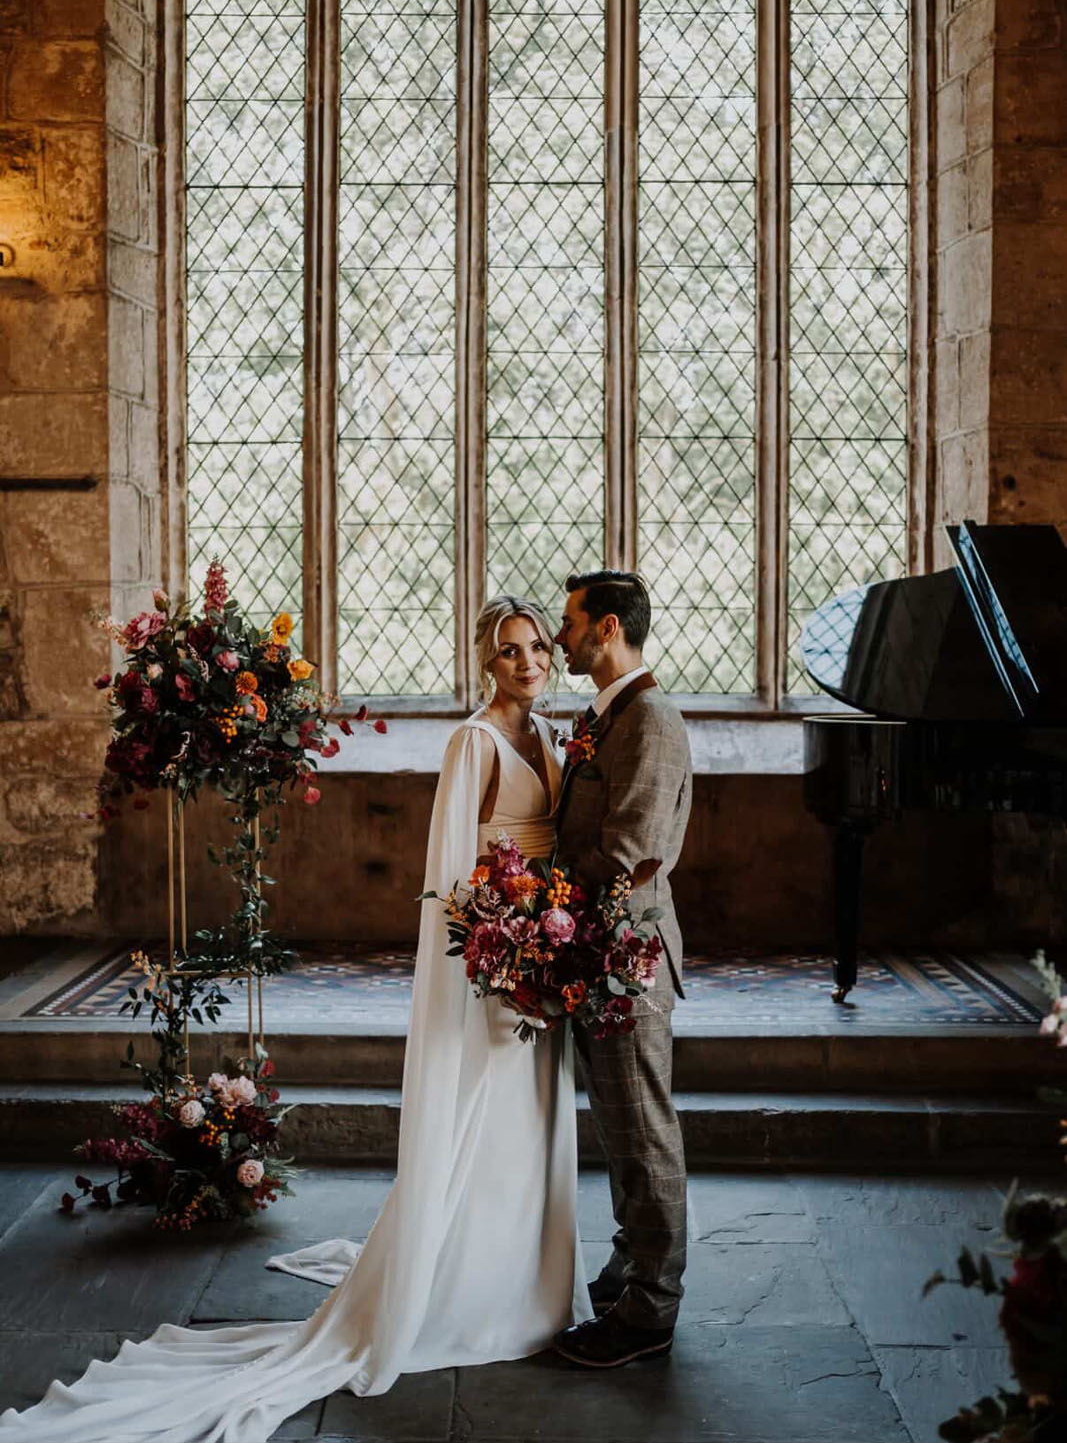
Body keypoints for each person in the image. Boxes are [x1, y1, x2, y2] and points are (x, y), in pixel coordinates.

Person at [0, 595, 592, 1443]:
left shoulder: (550, 735)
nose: (527, 660)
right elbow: (453, 882)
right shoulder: (476, 741)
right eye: (509, 651)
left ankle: (525, 1280)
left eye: (537, 645)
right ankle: (470, 1291)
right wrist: (497, 967)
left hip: (543, 952)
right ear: (484, 662)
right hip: (498, 969)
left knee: (530, 1128)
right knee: (487, 1128)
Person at [551, 569, 692, 1369]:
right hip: (597, 952)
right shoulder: (608, 716)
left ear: (606, 628)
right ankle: (630, 1263)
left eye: (570, 623)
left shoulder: (650, 720)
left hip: (626, 958)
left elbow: (629, 852)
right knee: (617, 1124)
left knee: (643, 1129)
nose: (562, 637)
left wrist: (538, 898)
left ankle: (650, 1311)